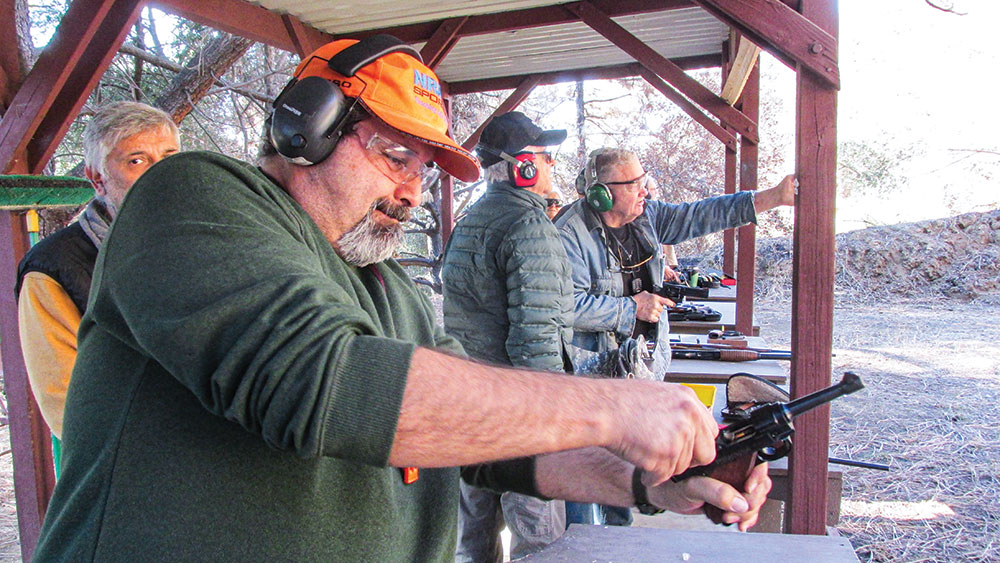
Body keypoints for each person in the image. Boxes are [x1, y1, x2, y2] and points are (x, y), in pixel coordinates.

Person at [34, 37, 770, 562]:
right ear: (307, 127)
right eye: (394, 155)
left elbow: (495, 450)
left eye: (425, 167)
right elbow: (319, 381)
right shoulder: (189, 195)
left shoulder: (385, 287)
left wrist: (646, 480)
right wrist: (614, 406)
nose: (414, 190)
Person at [554, 148, 794, 526]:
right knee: (588, 466)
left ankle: (617, 539)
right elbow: (565, 307)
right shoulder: (569, 235)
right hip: (592, 376)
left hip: (639, 368)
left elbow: (704, 214)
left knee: (627, 461)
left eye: (642, 178)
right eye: (633, 184)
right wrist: (630, 309)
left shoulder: (648, 216)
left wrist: (772, 198)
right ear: (602, 193)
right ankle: (582, 542)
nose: (644, 189)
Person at [441, 111, 572, 561]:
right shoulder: (529, 227)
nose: (553, 166)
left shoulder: (471, 221)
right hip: (518, 413)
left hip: (470, 404)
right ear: (525, 167)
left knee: (474, 535)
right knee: (539, 540)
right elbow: (535, 342)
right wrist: (557, 417)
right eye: (546, 156)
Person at [15, 101, 180, 442]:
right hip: (138, 469)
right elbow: (72, 413)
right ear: (97, 177)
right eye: (137, 160)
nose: (160, 173)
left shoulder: (206, 244)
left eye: (169, 156)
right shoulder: (53, 271)